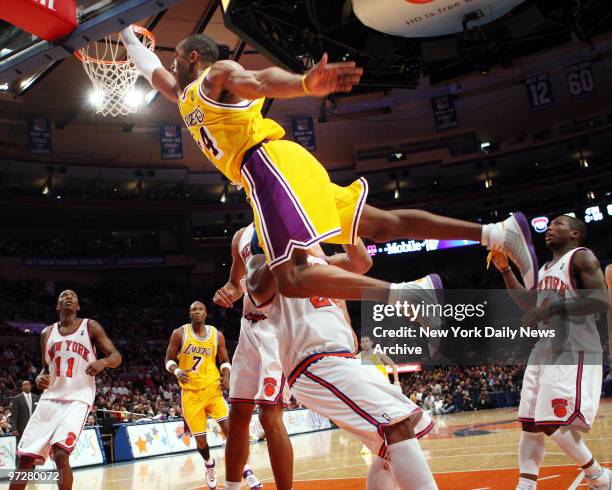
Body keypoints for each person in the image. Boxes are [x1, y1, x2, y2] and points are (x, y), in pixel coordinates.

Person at [118, 26, 538, 304]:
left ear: (192, 56)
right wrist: (125, 35)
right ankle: (494, 232)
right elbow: (152, 70)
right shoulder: (185, 92)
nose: (169, 62)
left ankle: (408, 295)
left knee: (293, 278)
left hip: (267, 166)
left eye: (177, 57)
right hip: (283, 168)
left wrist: (302, 85)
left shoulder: (216, 74)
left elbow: (261, 80)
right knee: (381, 226)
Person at [245, 234, 438, 490]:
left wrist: (345, 221)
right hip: (313, 361)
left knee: (389, 448)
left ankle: (408, 293)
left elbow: (361, 260)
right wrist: (285, 240)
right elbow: (256, 288)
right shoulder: (266, 267)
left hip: (342, 357)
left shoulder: (318, 260)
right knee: (397, 425)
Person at [489, 215, 610, 490]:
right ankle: (526, 485)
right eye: (549, 225)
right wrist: (506, 270)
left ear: (575, 233)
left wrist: (551, 309)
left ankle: (599, 476)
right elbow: (527, 303)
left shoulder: (582, 257)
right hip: (545, 347)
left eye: (558, 224)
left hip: (574, 346)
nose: (549, 228)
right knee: (530, 423)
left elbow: (602, 299)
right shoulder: (545, 270)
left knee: (549, 421)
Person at [10, 290, 122, 490]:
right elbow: (45, 367)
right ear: (57, 306)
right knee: (26, 459)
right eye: (63, 296)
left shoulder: (90, 326)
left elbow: (116, 356)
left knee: (61, 454)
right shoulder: (47, 333)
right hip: (50, 399)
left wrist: (103, 362)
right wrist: (38, 378)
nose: (68, 297)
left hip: (78, 399)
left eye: (73, 296)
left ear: (78, 306)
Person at [213, 224, 294, 490]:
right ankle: (232, 486)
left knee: (269, 416)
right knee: (238, 413)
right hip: (249, 328)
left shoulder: (287, 223)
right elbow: (235, 285)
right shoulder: (240, 236)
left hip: (278, 326)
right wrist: (228, 293)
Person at [164, 301, 261, 490]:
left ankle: (246, 471)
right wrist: (176, 372)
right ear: (190, 314)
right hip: (191, 393)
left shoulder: (216, 335)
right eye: (193, 309)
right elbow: (168, 360)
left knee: (231, 432)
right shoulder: (179, 333)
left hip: (213, 390)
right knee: (201, 441)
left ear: (206, 313)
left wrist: (226, 375)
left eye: (200, 309)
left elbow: (224, 360)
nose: (197, 312)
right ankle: (209, 465)